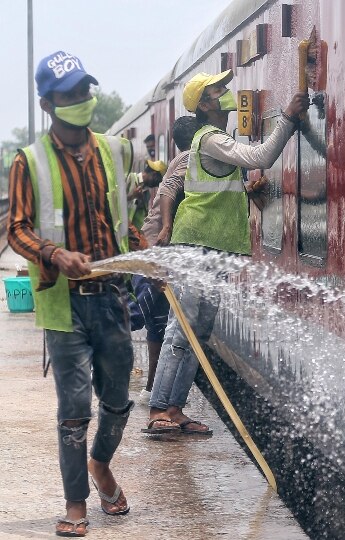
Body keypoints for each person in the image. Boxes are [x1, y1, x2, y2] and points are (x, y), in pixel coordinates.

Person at [6, 51, 146, 537]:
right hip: (65, 304)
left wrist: (148, 257)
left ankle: (101, 462)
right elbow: (16, 230)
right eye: (69, 95)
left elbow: (123, 217)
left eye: (85, 91)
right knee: (73, 407)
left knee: (118, 399)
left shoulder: (115, 149)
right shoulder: (30, 161)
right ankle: (76, 504)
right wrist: (53, 253)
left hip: (112, 296)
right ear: (48, 104)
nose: (81, 102)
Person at [144, 70, 308, 435]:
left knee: (198, 331)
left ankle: (175, 408)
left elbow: (220, 191)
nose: (226, 94)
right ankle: (158, 410)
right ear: (204, 104)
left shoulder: (215, 140)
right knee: (181, 329)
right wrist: (288, 119)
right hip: (196, 244)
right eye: (218, 90)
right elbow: (261, 155)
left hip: (215, 246)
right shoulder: (210, 138)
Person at [128, 116, 200, 406]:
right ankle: (91, 337)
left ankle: (149, 389)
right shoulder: (188, 160)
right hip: (156, 253)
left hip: (152, 251)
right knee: (137, 315)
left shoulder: (182, 160)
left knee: (156, 323)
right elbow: (171, 194)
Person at [126, 159, 166, 231]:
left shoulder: (147, 194)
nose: (157, 185)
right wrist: (132, 196)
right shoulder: (129, 179)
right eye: (158, 181)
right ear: (154, 174)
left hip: (134, 234)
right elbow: (115, 201)